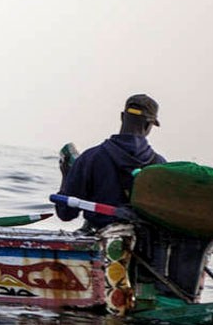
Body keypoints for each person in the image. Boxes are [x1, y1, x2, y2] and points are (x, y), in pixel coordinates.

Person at [55, 94, 166, 229]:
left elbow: (65, 213)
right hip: (144, 238)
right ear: (149, 124)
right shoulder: (160, 165)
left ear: (122, 117)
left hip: (100, 235)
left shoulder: (90, 158)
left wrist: (67, 175)